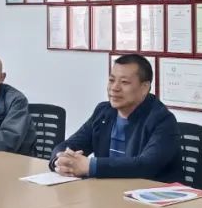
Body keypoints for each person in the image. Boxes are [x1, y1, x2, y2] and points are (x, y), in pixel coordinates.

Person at [50, 54, 180, 181]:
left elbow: (146, 165)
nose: (114, 88)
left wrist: (90, 166)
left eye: (124, 82)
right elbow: (69, 145)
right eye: (111, 80)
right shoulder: (103, 112)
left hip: (149, 192)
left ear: (144, 88)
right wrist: (60, 161)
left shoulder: (162, 120)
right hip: (108, 190)